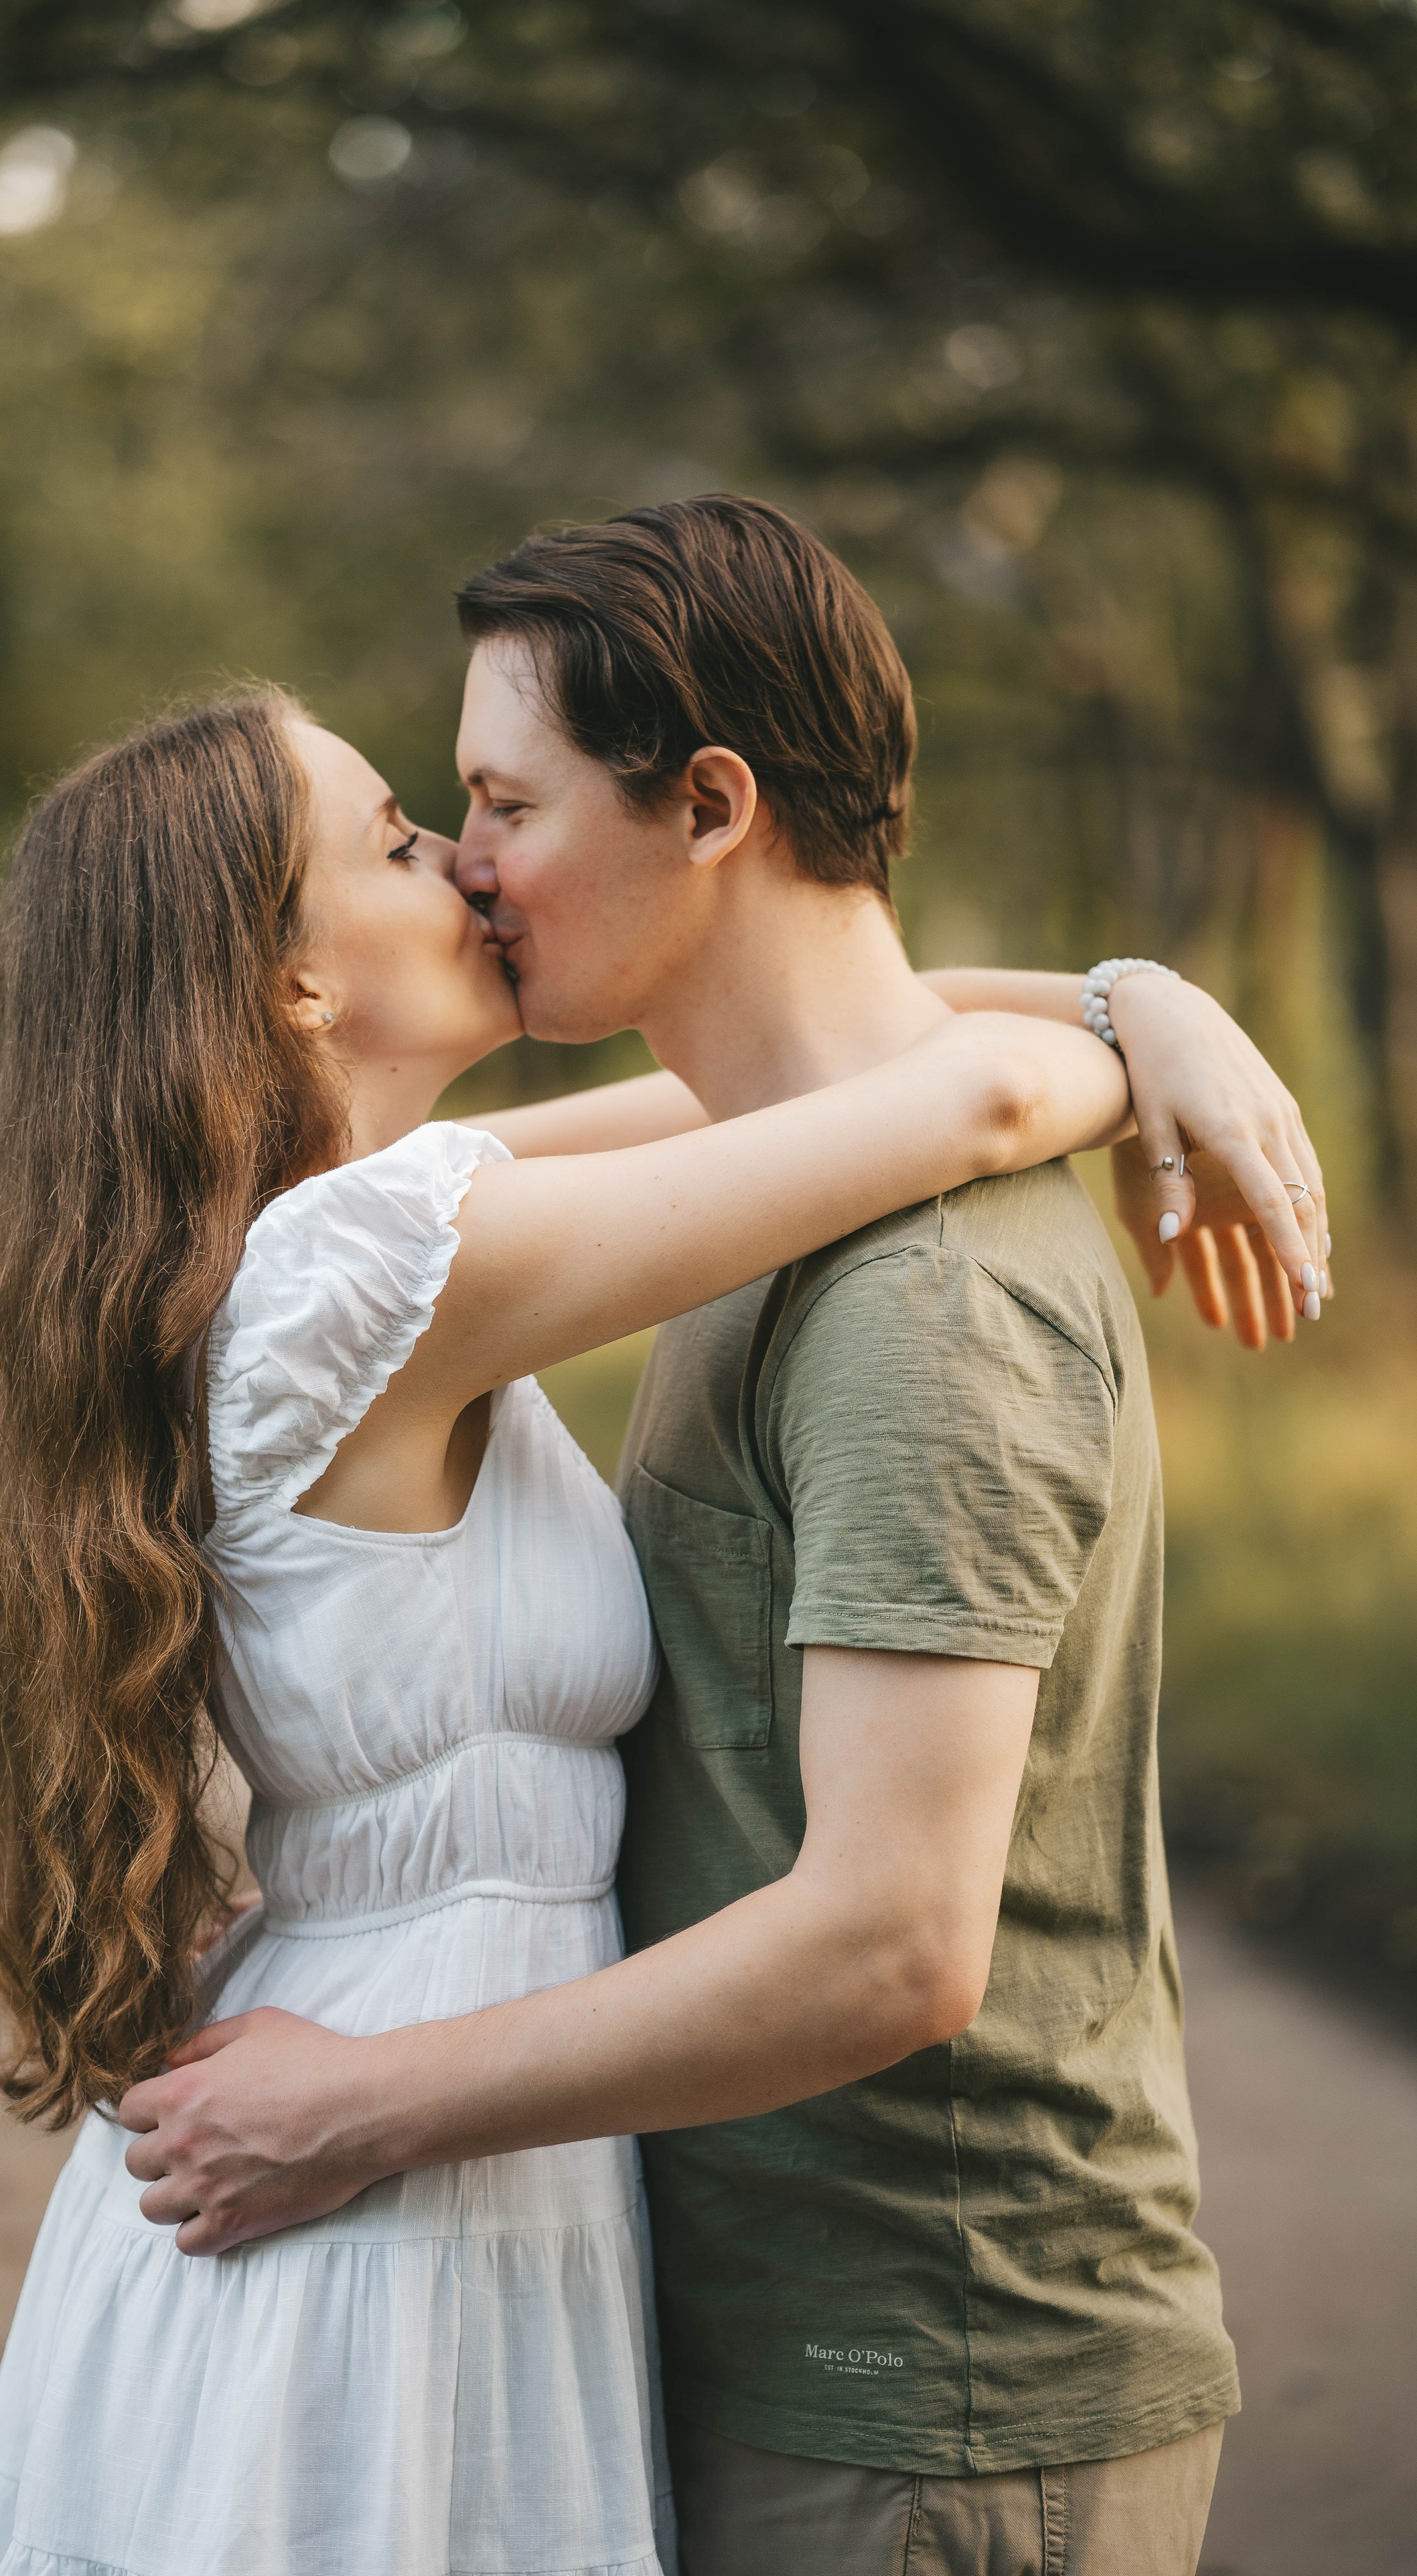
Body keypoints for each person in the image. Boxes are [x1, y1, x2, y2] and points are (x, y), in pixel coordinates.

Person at [119, 501, 1329, 2576]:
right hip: (735, 2336)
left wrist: (1139, 1011)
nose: (471, 860)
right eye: (428, 821)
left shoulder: (917, 1300)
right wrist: (1136, 1011)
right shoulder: (649, 1211)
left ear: (709, 804)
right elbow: (898, 1079)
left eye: (495, 802)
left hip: (922, 2396)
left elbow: (891, 1941)